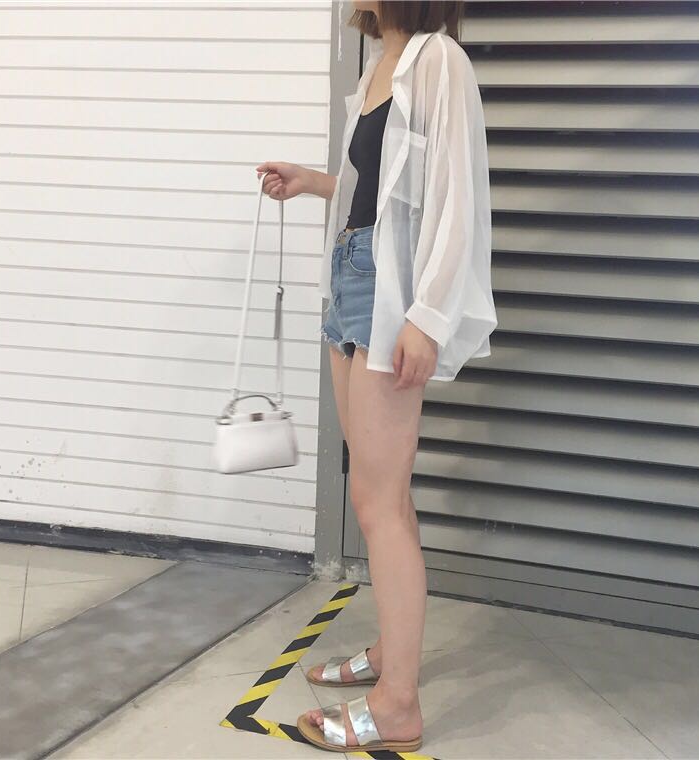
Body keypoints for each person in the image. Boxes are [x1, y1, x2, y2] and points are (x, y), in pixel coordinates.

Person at [255, 0, 495, 752]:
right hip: (352, 277)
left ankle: (398, 707)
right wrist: (314, 181)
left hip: (392, 294)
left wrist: (429, 314)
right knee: (385, 491)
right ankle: (393, 654)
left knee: (375, 500)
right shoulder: (377, 68)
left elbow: (457, 197)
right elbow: (383, 190)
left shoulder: (439, 59)